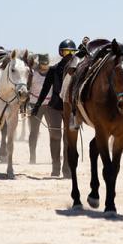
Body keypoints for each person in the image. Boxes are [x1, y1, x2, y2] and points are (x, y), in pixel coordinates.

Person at [30, 40, 78, 176]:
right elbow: (45, 88)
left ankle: (67, 168)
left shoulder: (77, 70)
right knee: (55, 136)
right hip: (55, 107)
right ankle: (55, 167)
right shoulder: (54, 69)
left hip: (70, 108)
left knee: (69, 138)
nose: (69, 54)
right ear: (60, 52)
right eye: (66, 51)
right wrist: (37, 106)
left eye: (72, 52)